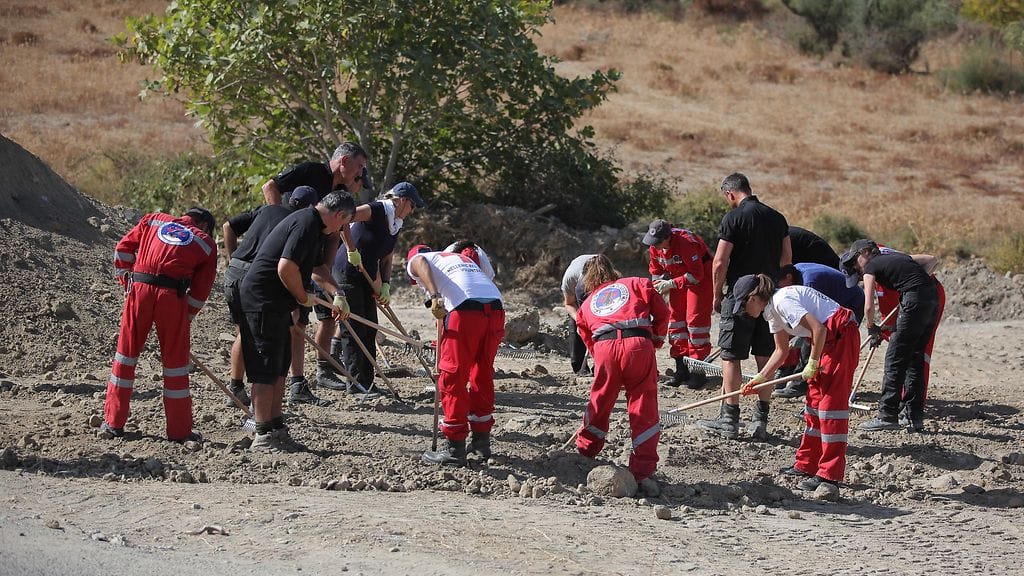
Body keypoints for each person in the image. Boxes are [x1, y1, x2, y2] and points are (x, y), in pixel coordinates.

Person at [238, 192, 355, 450]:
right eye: (344, 224)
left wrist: (337, 293)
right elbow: (286, 268)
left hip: (279, 303)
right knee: (265, 366)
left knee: (281, 365)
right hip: (261, 301)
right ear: (338, 215)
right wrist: (303, 298)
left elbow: (317, 268)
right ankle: (262, 433)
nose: (342, 229)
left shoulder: (316, 228)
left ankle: (276, 426)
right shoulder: (304, 224)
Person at [100, 207, 218, 442]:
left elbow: (122, 250)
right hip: (172, 298)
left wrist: (127, 284)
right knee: (175, 365)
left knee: (125, 356)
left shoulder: (153, 220)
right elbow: (201, 289)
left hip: (139, 290)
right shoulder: (206, 243)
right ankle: (179, 431)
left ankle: (113, 423)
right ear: (205, 226)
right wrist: (186, 316)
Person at [261, 142, 368, 400]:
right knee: (286, 321)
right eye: (359, 167)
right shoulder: (311, 172)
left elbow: (339, 228)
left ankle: (298, 383)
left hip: (312, 260)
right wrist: (280, 222)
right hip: (287, 255)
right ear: (343, 161)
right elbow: (269, 186)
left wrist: (336, 263)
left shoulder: (341, 190)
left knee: (300, 321)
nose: (361, 174)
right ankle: (252, 385)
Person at [734, 274, 860, 493]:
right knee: (813, 405)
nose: (744, 311)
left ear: (753, 297)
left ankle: (830, 475)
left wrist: (812, 363)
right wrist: (760, 378)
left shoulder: (783, 300)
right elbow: (781, 351)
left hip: (839, 337)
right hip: (823, 342)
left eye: (743, 305)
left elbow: (819, 329)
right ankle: (807, 464)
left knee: (830, 409)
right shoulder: (772, 312)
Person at [698, 173, 791, 441]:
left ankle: (730, 418)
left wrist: (716, 295)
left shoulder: (733, 218)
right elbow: (787, 258)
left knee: (732, 356)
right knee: (765, 355)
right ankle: (761, 420)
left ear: (730, 194)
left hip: (740, 296)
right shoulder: (777, 217)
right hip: (770, 295)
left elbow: (720, 261)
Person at [222, 186, 324, 407]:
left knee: (244, 331)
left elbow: (228, 225)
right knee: (268, 340)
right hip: (258, 278)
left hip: (234, 273)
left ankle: (236, 387)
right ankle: (265, 407)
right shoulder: (301, 223)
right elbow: (289, 265)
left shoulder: (267, 209)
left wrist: (232, 259)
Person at [573, 255, 669, 483]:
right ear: (613, 271)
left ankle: (586, 451)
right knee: (643, 404)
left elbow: (584, 334)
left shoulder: (587, 304)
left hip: (605, 347)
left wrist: (604, 360)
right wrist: (655, 339)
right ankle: (642, 470)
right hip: (638, 344)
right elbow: (663, 312)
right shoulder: (638, 283)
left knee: (600, 400)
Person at [325, 182, 425, 397]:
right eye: (412, 206)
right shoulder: (377, 209)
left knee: (370, 328)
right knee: (354, 329)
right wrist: (351, 249)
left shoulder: (396, 223)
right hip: (347, 271)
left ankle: (368, 382)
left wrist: (386, 285)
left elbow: (387, 257)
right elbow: (344, 219)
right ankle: (356, 385)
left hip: (367, 276)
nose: (412, 212)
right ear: (403, 200)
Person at [409, 244, 505, 466]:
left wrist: (434, 296)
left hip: (466, 310)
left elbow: (419, 262)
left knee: (452, 375)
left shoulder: (420, 258)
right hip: (495, 307)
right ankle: (481, 443)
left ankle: (455, 448)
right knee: (481, 373)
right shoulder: (459, 260)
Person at [841, 240, 940, 432]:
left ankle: (887, 415)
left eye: (855, 264)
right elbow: (931, 260)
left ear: (864, 253)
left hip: (913, 302)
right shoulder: (898, 257)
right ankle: (913, 416)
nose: (859, 272)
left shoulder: (871, 265)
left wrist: (871, 328)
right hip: (932, 300)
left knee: (895, 359)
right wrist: (916, 283)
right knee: (915, 358)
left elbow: (868, 305)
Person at [772, 262, 865, 399]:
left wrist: (799, 337)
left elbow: (816, 326)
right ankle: (809, 381)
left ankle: (801, 385)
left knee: (817, 343)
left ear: (788, 277)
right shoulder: (796, 272)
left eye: (779, 284)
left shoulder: (809, 281)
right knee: (812, 339)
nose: (778, 289)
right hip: (834, 304)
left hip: (850, 303)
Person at [642, 219, 713, 389]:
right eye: (653, 243)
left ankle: (697, 372)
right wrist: (658, 287)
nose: (655, 246)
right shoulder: (655, 246)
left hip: (700, 280)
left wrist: (671, 284)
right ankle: (681, 369)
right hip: (676, 279)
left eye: (659, 242)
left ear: (668, 237)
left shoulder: (686, 243)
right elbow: (656, 271)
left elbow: (697, 275)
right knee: (676, 322)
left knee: (696, 324)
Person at [560, 254, 599, 377]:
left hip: (603, 300)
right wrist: (580, 321)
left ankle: (600, 367)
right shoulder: (570, 279)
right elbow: (569, 303)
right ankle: (579, 368)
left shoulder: (611, 279)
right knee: (577, 331)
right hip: (577, 303)